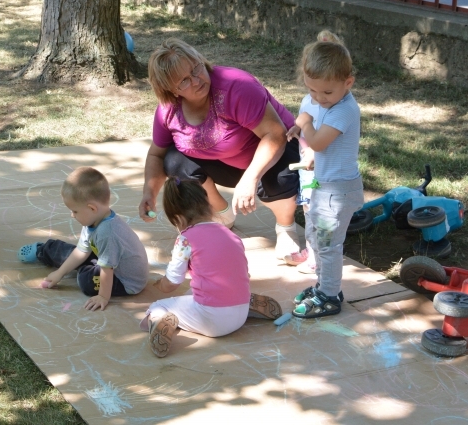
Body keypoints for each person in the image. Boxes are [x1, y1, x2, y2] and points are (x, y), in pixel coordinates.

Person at [139, 38, 303, 259]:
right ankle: (222, 214)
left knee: (277, 180)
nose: (196, 80)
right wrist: (149, 193)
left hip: (279, 150)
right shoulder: (168, 110)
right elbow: (157, 155)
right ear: (172, 90)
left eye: (196, 68)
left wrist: (251, 178)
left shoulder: (236, 86)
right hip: (229, 163)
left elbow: (275, 135)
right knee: (174, 161)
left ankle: (286, 229)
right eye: (184, 81)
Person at [140, 178, 283, 358]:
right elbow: (243, 273)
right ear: (208, 207)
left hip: (212, 322)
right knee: (191, 295)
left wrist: (160, 284)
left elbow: (172, 282)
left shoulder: (186, 238)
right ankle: (246, 304)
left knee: (159, 306)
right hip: (241, 310)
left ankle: (159, 321)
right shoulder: (231, 235)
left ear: (178, 218)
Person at [286, 30, 363, 318]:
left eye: (327, 92)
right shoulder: (318, 101)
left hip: (339, 192)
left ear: (348, 83)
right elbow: (307, 116)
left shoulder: (345, 110)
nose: (319, 98)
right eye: (311, 90)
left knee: (329, 246)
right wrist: (298, 126)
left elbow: (317, 140)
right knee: (318, 239)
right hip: (322, 185)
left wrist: (304, 124)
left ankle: (330, 295)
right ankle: (325, 285)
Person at [17, 167, 149, 311]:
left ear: (92, 208)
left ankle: (82, 268)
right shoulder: (94, 219)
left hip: (125, 281)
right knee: (70, 253)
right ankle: (44, 250)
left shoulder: (108, 232)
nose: (72, 215)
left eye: (75, 211)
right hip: (104, 261)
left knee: (85, 281)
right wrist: (59, 273)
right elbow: (81, 251)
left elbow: (107, 269)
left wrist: (103, 297)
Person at [282, 96, 321, 274]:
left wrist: (314, 146)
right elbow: (303, 120)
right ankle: (311, 249)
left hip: (320, 169)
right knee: (308, 210)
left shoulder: (331, 106)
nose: (315, 93)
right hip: (306, 166)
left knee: (318, 214)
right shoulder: (308, 99)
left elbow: (327, 137)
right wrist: (297, 127)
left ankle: (317, 258)